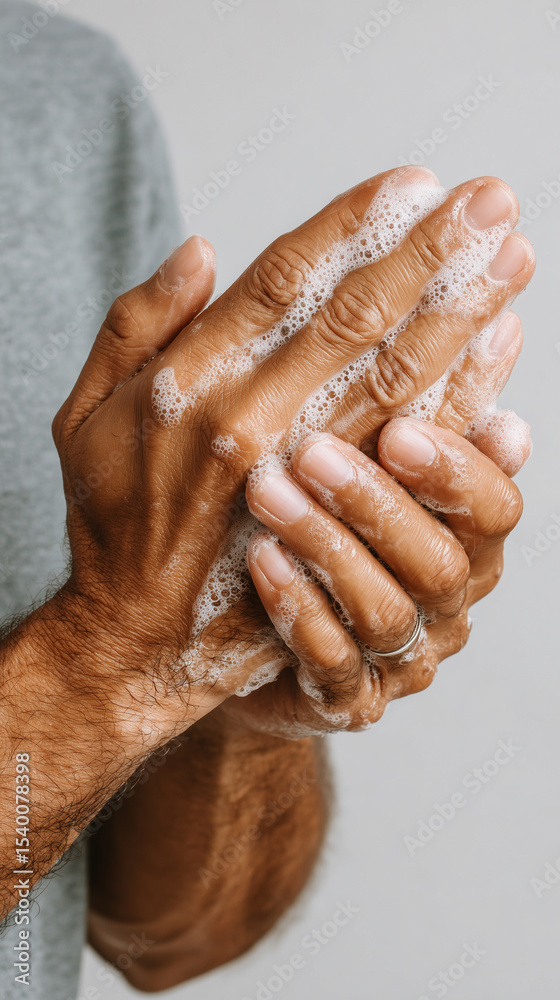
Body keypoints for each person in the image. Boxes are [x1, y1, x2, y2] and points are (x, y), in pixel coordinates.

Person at [0, 2, 534, 996]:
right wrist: (115, 661)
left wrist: (230, 677)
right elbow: (121, 654)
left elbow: (165, 943)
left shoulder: (59, 92)